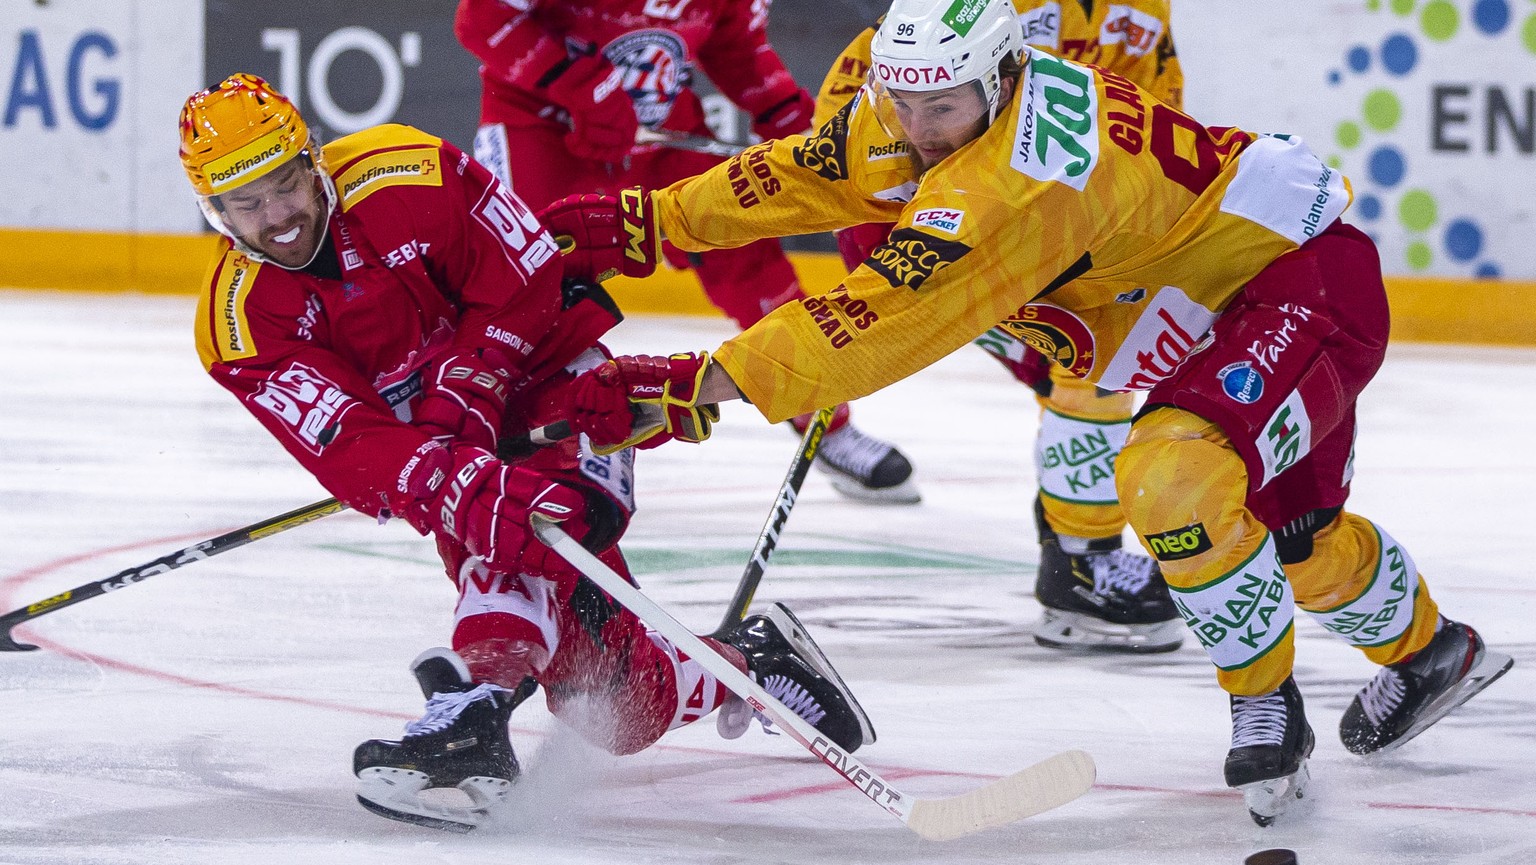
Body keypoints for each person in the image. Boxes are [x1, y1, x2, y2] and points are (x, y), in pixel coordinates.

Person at [536, 0, 1514, 825]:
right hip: (1194, 305)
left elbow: (878, 324)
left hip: (1294, 288)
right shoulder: (935, 100)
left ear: (1004, 81)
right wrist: (649, 221)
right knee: (1294, 542)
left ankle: (1266, 711)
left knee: (1171, 478)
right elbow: (806, 171)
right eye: (902, 100)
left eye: (942, 107)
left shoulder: (1022, 179)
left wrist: (688, 387)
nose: (919, 127)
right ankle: (1434, 650)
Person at [178, 73, 874, 832]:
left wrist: (470, 390)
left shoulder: (406, 171)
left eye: (285, 184)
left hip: (558, 389)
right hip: (452, 450)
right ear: (216, 212)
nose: (278, 216)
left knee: (514, 520)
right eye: (247, 203)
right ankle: (752, 662)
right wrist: (437, 472)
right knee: (620, 708)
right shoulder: (238, 327)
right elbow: (349, 441)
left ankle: (474, 712)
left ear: (311, 160)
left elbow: (528, 273)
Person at [812, 0, 1188, 653]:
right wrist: (900, 182)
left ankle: (1073, 556)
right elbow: (856, 97)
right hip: (929, 228)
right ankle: (1080, 565)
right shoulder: (971, 9)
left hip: (1053, 227)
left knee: (1089, 366)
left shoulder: (1143, 10)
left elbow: (1152, 121)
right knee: (1090, 364)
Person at [452, 0, 920, 503]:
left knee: (753, 259)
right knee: (519, 283)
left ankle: (827, 425)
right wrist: (584, 87)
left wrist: (790, 118)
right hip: (541, 125)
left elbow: (737, 46)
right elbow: (482, 17)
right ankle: (462, 433)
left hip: (662, 134)